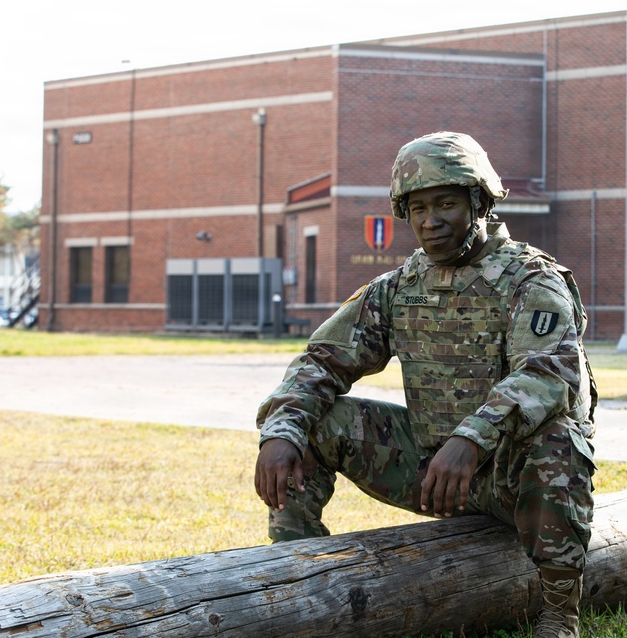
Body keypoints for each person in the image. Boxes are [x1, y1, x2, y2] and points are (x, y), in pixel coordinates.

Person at [255, 131, 597, 638]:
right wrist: (280, 430)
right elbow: (322, 361)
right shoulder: (398, 288)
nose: (430, 221)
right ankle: (295, 573)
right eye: (417, 208)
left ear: (478, 202)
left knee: (558, 440)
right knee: (313, 421)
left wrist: (471, 439)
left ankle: (558, 614)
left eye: (446, 203)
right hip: (432, 470)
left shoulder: (531, 279)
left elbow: (547, 375)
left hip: (507, 472)